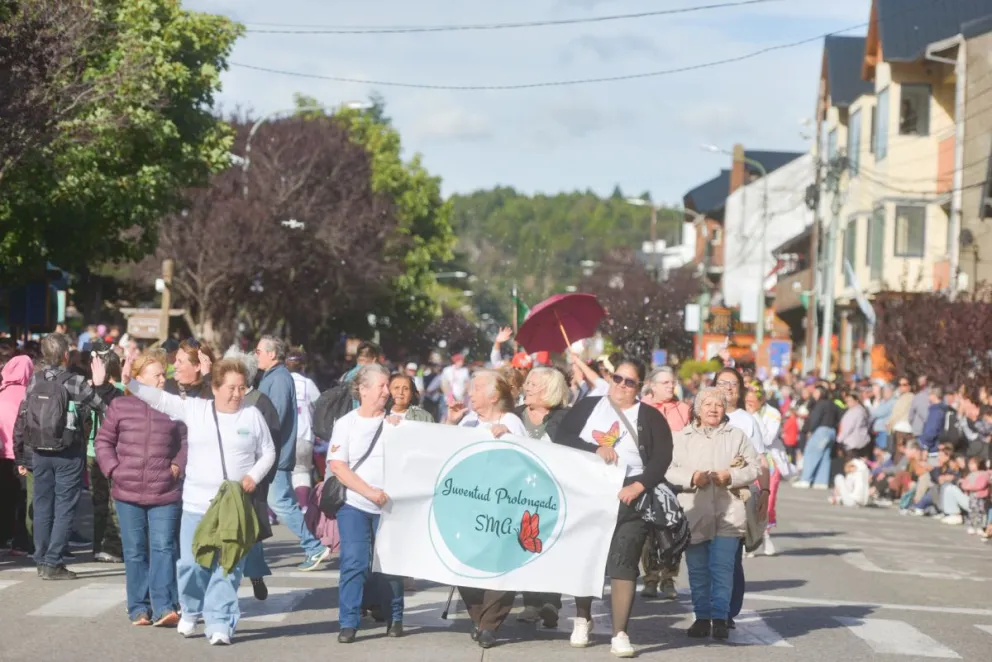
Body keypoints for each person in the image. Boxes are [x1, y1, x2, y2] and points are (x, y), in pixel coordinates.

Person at [123, 356, 275, 646]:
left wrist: (253, 476)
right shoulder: (196, 409)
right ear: (215, 387)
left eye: (242, 388)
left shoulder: (252, 415)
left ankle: (220, 622)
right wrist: (129, 382)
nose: (237, 394)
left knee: (228, 566)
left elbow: (268, 451)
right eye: (231, 388)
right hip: (196, 504)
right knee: (191, 564)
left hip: (234, 507)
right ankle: (191, 609)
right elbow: (161, 400)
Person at [554, 356, 674, 658]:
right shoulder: (588, 406)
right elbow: (562, 437)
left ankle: (620, 632)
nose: (621, 385)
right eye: (617, 378)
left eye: (629, 381)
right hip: (589, 494)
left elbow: (662, 457)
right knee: (586, 557)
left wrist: (639, 485)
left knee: (625, 561)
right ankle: (583, 617)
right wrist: (595, 448)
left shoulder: (650, 416)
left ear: (640, 386)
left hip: (630, 497)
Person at [94, 350, 187, 626]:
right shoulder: (121, 407)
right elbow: (103, 442)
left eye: (163, 374)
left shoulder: (173, 405)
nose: (162, 379)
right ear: (139, 378)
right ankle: (138, 607)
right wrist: (113, 469)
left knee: (163, 548)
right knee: (134, 550)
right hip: (128, 492)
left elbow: (185, 442)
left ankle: (164, 607)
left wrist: (177, 466)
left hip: (165, 492)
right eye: (157, 374)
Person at [666, 386, 760, 641]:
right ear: (697, 409)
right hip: (694, 511)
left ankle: (720, 618)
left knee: (723, 567)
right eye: (707, 404)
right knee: (697, 569)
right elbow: (668, 469)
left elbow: (755, 467)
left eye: (718, 405)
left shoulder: (737, 435)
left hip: (730, 512)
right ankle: (701, 617)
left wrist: (731, 476)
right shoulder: (681, 437)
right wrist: (692, 477)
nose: (713, 409)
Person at [14, 333, 107, 580]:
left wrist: (21, 454)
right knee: (65, 506)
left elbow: (23, 417)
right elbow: (102, 406)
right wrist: (97, 384)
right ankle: (53, 561)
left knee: (42, 505)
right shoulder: (75, 381)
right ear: (66, 355)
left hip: (39, 450)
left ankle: (41, 558)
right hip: (68, 451)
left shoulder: (34, 381)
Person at [447, 370, 527, 648]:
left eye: (477, 388)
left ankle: (489, 624)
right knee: (462, 563)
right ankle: (479, 617)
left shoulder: (511, 421)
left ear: (494, 396)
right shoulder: (467, 421)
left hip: (502, 508)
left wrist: (510, 437)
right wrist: (450, 423)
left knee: (500, 565)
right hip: (467, 506)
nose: (470, 393)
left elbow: (527, 458)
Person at [328, 364, 405, 643]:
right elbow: (338, 466)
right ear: (363, 389)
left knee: (388, 564)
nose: (388, 391)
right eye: (382, 386)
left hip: (389, 507)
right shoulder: (346, 423)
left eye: (388, 386)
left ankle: (395, 616)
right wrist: (370, 492)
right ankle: (348, 622)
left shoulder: (395, 423)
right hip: (355, 505)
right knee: (355, 562)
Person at [253, 336, 330, 571]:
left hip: (274, 453)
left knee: (280, 502)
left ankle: (313, 546)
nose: (256, 354)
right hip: (273, 452)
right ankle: (252, 557)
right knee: (266, 501)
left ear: (272, 355)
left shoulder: (277, 379)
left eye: (259, 351)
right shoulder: (275, 377)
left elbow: (274, 416)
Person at [513, 367, 570, 628]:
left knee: (551, 545)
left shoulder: (567, 419)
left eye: (533, 384)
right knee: (524, 542)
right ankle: (530, 602)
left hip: (554, 493)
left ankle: (550, 601)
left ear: (549, 390)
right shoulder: (513, 417)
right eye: (527, 383)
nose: (527, 387)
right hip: (518, 492)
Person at [640, 366, 690, 599]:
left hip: (676, 475)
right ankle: (650, 577)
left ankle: (669, 577)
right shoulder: (643, 408)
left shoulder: (684, 410)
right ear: (652, 385)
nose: (671, 386)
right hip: (650, 474)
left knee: (674, 526)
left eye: (673, 382)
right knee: (651, 528)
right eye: (665, 383)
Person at [0, 355, 33, 555]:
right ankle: (20, 541)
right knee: (23, 498)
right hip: (20, 455)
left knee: (3, 497)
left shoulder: (1, 393)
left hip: (1, 454)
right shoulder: (29, 394)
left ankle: (2, 537)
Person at [287, 350, 320, 508]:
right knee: (301, 471)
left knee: (280, 474)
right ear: (303, 366)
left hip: (284, 437)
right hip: (304, 435)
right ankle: (304, 506)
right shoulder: (308, 384)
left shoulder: (281, 382)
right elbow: (320, 405)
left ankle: (272, 513)